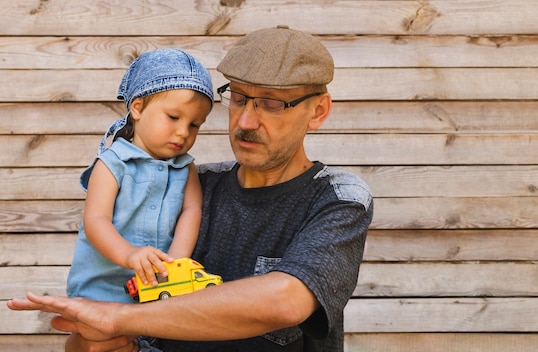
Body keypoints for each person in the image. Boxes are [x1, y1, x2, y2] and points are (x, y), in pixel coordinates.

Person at [8, 26, 373, 352]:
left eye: (272, 104)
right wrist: (93, 341)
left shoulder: (337, 198)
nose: (245, 121)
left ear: (318, 111)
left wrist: (115, 319)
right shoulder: (186, 185)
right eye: (240, 98)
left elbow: (286, 301)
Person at [66, 48, 214, 304]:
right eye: (173, 117)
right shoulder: (112, 163)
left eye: (194, 125)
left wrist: (176, 261)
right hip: (102, 287)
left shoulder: (185, 167)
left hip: (158, 284)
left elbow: (192, 211)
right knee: (101, 337)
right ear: (137, 108)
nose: (183, 132)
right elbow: (95, 221)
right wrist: (129, 254)